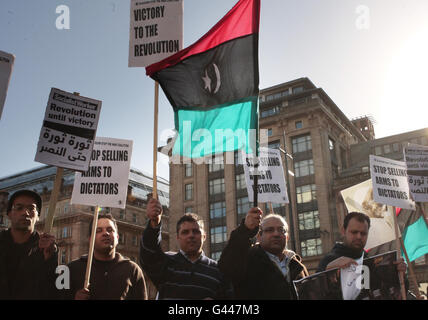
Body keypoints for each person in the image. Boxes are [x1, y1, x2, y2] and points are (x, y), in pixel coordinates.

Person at [140, 197, 233, 299]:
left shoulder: (218, 271)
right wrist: (154, 224)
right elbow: (149, 253)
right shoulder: (166, 264)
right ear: (177, 238)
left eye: (196, 231)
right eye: (185, 232)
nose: (191, 235)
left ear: (204, 236)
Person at [218, 208, 308, 299]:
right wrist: (245, 229)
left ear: (287, 237)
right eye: (269, 230)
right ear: (259, 237)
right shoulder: (248, 261)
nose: (276, 234)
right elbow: (226, 266)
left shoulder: (297, 265)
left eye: (281, 230)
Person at [317, 211, 408, 299]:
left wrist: (401, 276)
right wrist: (327, 274)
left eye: (363, 233)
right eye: (354, 232)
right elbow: (316, 295)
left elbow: (391, 293)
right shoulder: (329, 261)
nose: (359, 237)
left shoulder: (372, 262)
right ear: (343, 231)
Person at [66, 213, 147, 300]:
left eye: (110, 229)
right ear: (90, 239)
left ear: (117, 237)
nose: (105, 233)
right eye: (99, 230)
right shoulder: (72, 269)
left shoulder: (132, 270)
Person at [0, 190, 58, 299]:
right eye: (19, 208)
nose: (25, 213)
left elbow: (52, 291)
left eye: (31, 208)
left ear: (38, 216)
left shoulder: (47, 248)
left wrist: (49, 259)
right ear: (9, 214)